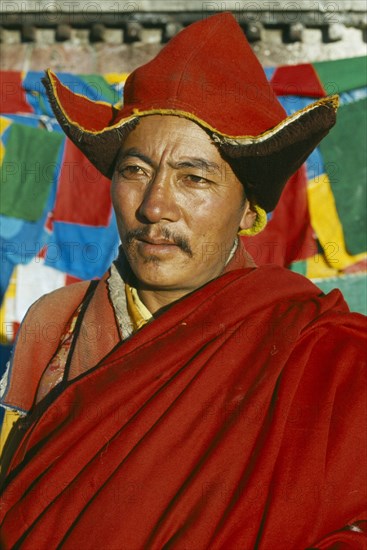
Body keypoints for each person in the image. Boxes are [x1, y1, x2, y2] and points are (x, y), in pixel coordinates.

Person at [0, 12, 366, 549]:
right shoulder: (55, 323)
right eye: (135, 171)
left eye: (194, 178)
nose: (154, 207)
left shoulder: (320, 354)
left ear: (249, 212)